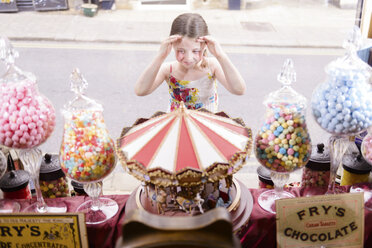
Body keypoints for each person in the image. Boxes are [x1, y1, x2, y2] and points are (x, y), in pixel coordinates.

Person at [134, 13, 246, 113]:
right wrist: (160, 57)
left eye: (196, 51)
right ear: (172, 45)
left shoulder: (212, 66)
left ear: (205, 45)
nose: (188, 58)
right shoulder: (168, 70)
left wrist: (220, 55)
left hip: (206, 126)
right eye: (181, 51)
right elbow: (140, 90)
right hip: (176, 127)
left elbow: (239, 90)